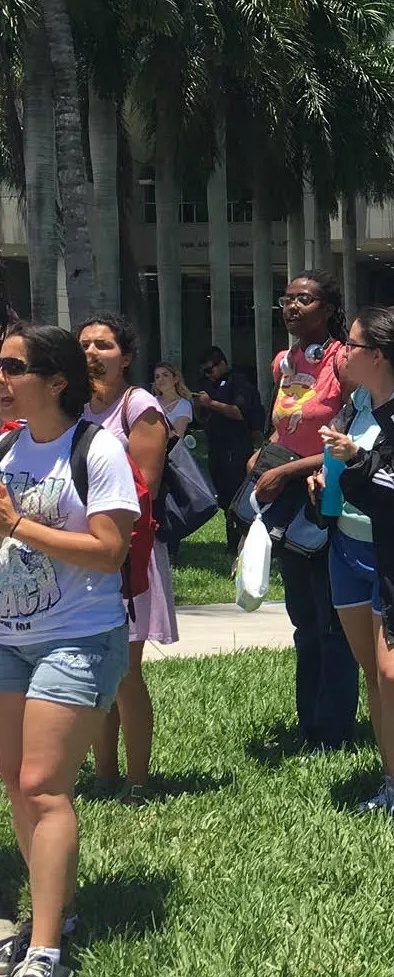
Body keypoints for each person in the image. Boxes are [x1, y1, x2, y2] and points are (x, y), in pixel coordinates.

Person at [0, 324, 139, 977]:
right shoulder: (6, 450)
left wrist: (19, 524)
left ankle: (47, 948)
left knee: (42, 786)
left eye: (11, 367)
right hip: (9, 639)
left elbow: (112, 552)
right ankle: (60, 908)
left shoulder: (98, 449)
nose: (1, 378)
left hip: (80, 636)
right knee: (17, 787)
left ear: (55, 382)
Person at [308, 306, 394, 842]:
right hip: (347, 548)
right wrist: (328, 479)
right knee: (374, 676)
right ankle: (393, 779)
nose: (342, 352)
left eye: (352, 344)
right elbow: (352, 470)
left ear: (378, 356)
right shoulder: (358, 403)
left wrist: (355, 462)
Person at [255, 271, 358, 752]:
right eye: (287, 299)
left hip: (324, 493)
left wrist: (291, 472)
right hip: (289, 495)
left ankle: (334, 730)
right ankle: (308, 724)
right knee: (302, 616)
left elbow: (355, 439)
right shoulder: (286, 361)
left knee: (330, 617)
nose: (292, 307)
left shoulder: (344, 361)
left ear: (328, 308)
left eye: (305, 299)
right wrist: (268, 449)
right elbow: (289, 424)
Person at [78, 313, 178, 805]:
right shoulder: (71, 405)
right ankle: (103, 774)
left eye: (104, 345)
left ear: (127, 356)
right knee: (97, 670)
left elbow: (146, 486)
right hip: (83, 556)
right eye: (85, 345)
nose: (93, 353)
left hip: (128, 554)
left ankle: (137, 780)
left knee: (125, 673)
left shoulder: (140, 406)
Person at [194, 347, 260, 553]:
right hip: (216, 447)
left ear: (222, 363)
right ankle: (233, 541)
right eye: (205, 371)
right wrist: (200, 404)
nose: (210, 374)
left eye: (211, 369)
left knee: (237, 494)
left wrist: (211, 403)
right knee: (224, 496)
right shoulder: (210, 386)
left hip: (236, 447)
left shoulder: (238, 381)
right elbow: (202, 418)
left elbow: (240, 413)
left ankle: (242, 540)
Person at [151, 362, 193, 438]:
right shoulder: (150, 402)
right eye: (157, 377)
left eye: (165, 375)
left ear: (175, 379)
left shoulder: (184, 405)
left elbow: (177, 435)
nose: (161, 379)